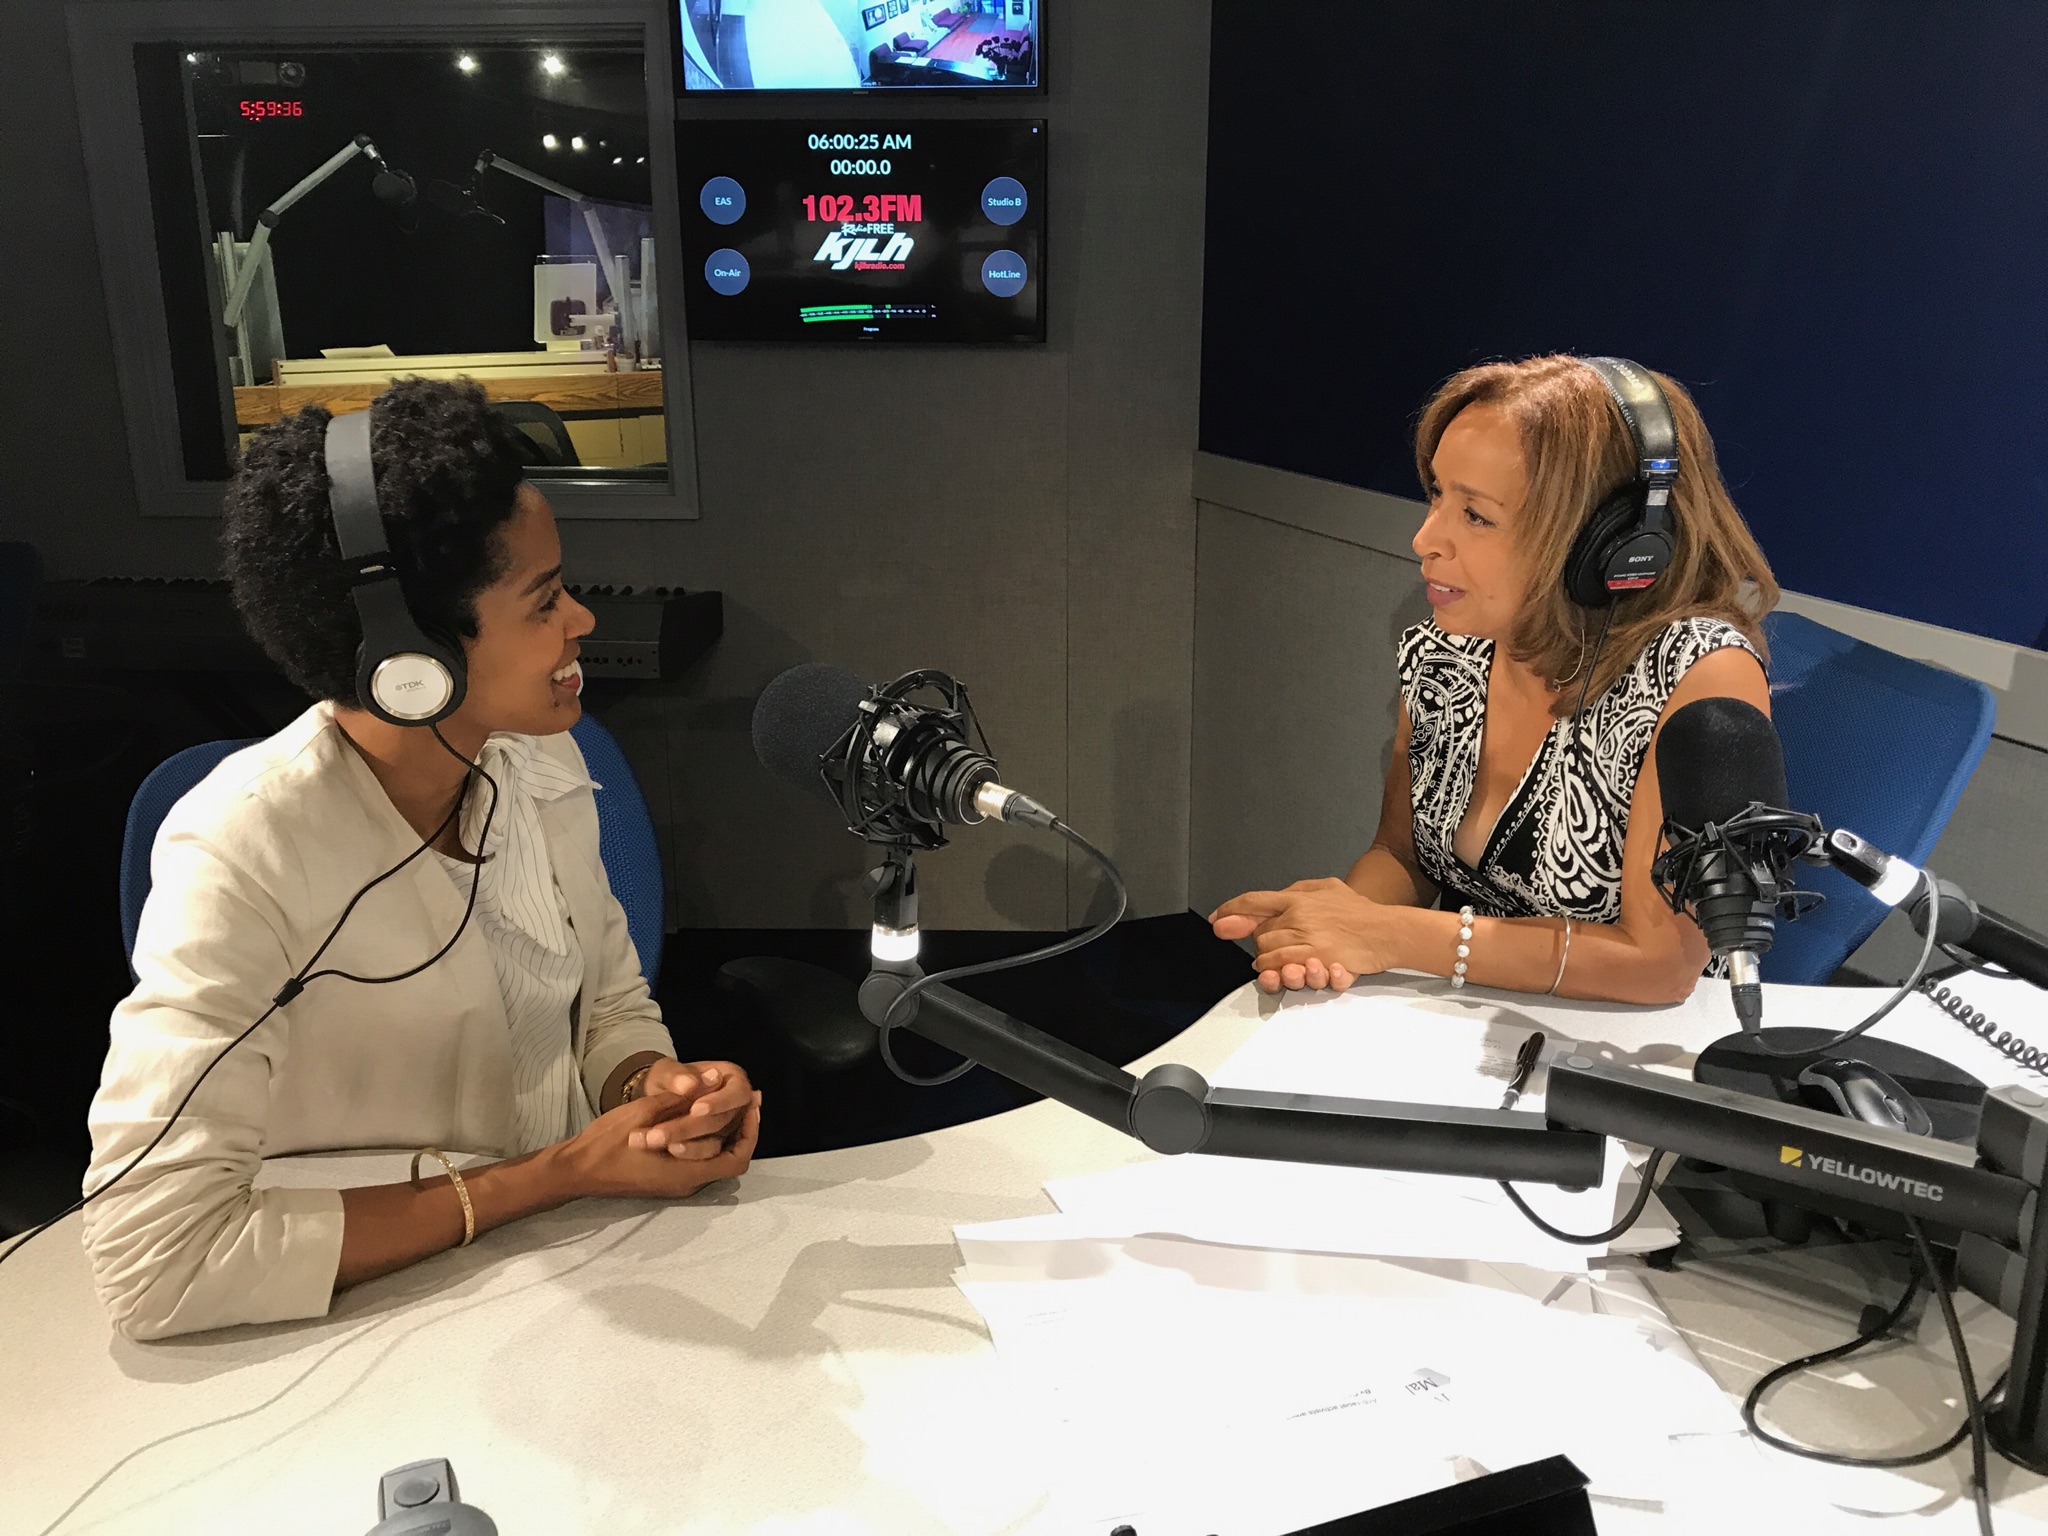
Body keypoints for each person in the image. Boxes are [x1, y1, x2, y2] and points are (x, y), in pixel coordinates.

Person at [83, 379, 759, 1340]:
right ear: (410, 657)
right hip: (357, 1325)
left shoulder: (538, 760)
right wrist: (556, 1175)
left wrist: (647, 1088)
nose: (581, 619)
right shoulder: (240, 848)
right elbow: (155, 1262)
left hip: (569, 1282)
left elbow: (608, 1008)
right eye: (544, 600)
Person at [1211, 355, 1778, 1004]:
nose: (1425, 538)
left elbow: (1660, 966)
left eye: (1475, 515)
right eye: (1436, 494)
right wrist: (1333, 935)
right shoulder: (1446, 651)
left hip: (1622, 1039)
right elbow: (1402, 857)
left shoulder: (1701, 674)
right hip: (1469, 1013)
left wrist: (1388, 935)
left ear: (1609, 542)